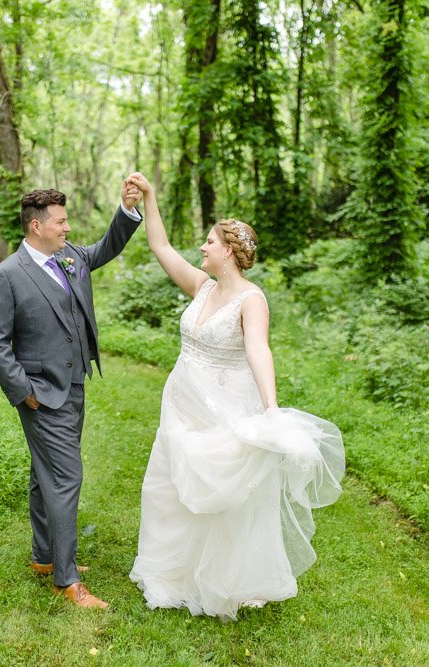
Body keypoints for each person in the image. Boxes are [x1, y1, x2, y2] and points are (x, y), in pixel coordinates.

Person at [126, 172, 345, 620]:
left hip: (225, 405)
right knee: (170, 486)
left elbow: (258, 349)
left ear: (228, 250)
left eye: (209, 242)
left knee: (227, 493)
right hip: (182, 404)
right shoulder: (201, 286)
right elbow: (161, 247)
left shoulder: (252, 299)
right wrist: (149, 197)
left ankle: (229, 579)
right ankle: (175, 571)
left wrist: (270, 410)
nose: (201, 248)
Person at [0, 183, 142, 609]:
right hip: (40, 395)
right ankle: (66, 582)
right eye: (61, 221)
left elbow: (107, 246)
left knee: (44, 475)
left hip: (74, 386)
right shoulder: (7, 275)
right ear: (37, 226)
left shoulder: (70, 258)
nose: (68, 227)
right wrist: (24, 392)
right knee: (66, 477)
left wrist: (127, 210)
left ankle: (45, 557)